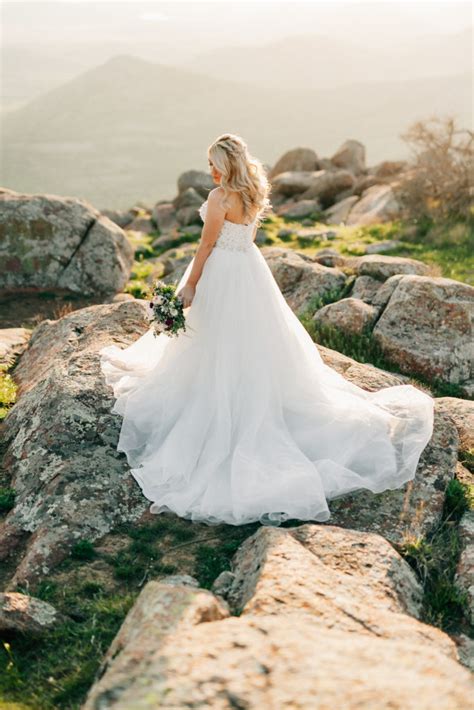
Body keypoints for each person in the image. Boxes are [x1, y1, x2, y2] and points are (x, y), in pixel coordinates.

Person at [99, 133, 435, 527]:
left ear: (226, 165)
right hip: (249, 271)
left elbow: (205, 247)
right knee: (253, 341)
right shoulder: (253, 192)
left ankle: (215, 396)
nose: (210, 171)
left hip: (223, 272)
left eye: (214, 164)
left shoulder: (219, 199)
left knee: (212, 340)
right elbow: (248, 238)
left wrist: (190, 284)